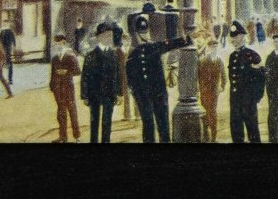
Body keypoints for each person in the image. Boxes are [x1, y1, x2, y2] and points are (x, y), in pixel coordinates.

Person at [126, 14, 191, 143]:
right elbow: (130, 78)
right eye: (141, 32)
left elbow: (172, 44)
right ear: (137, 34)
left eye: (145, 32)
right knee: (148, 124)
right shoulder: (133, 54)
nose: (144, 35)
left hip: (159, 93)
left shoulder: (155, 46)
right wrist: (136, 93)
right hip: (143, 96)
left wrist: (187, 39)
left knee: (163, 125)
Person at [81, 22, 122, 143]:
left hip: (110, 93)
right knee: (94, 122)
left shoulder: (114, 55)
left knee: (107, 122)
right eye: (106, 35)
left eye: (110, 35)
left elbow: (118, 75)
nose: (109, 38)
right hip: (94, 93)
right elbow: (85, 77)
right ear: (99, 37)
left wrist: (119, 93)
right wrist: (84, 95)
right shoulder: (90, 55)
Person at [228, 20, 265, 143]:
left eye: (236, 36)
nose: (233, 39)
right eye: (232, 37)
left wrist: (256, 98)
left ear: (243, 37)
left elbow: (261, 77)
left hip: (248, 101)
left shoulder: (252, 55)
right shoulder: (232, 56)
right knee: (236, 131)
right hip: (235, 101)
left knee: (253, 132)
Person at [49, 33, 81, 143]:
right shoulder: (55, 59)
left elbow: (77, 71)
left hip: (68, 88)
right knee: (61, 113)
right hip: (58, 89)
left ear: (64, 43)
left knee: (72, 111)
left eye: (59, 44)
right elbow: (52, 74)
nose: (57, 46)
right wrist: (52, 87)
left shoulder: (70, 56)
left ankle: (77, 136)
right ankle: (63, 137)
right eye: (56, 44)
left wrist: (66, 72)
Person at [198, 39, 226, 142]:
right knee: (208, 112)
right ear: (209, 48)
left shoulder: (219, 60)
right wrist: (200, 89)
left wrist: (222, 87)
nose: (214, 49)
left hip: (214, 92)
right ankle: (207, 135)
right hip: (205, 91)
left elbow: (224, 76)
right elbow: (199, 77)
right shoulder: (203, 61)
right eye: (212, 47)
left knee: (212, 113)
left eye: (215, 47)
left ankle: (213, 137)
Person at [0, 21, 17, 85]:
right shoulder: (2, 31)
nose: (4, 24)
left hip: (8, 49)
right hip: (3, 49)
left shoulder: (9, 31)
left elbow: (13, 40)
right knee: (3, 63)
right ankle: (3, 79)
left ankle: (10, 79)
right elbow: (0, 40)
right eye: (4, 23)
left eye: (6, 23)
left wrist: (14, 46)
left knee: (9, 63)